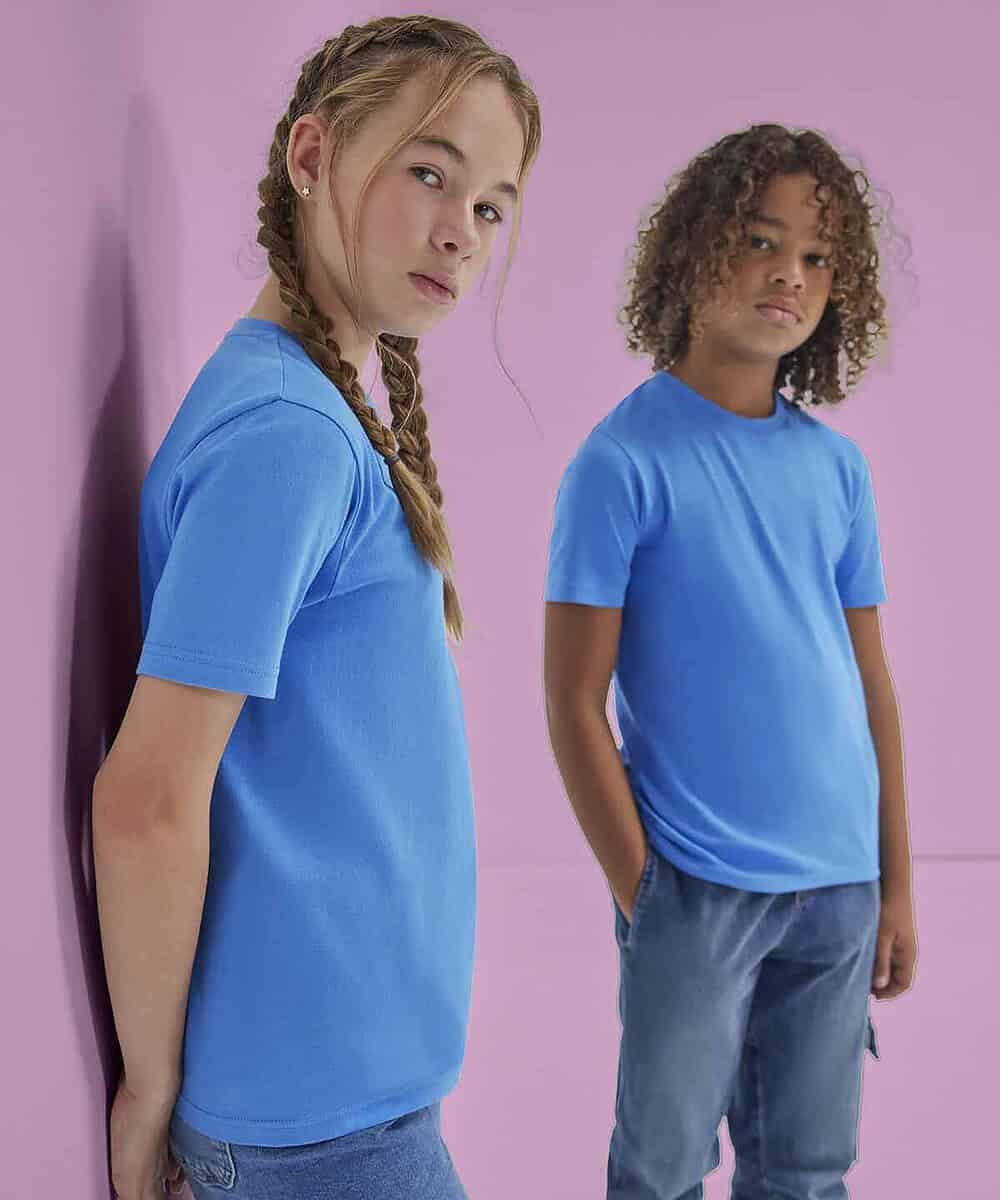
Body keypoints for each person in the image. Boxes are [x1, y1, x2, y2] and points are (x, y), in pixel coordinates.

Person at [91, 16, 539, 1200]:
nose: (460, 228)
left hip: (346, 1110)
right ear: (312, 155)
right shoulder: (287, 436)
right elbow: (146, 798)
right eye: (428, 171)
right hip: (317, 1134)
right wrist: (148, 1093)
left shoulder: (316, 414)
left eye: (491, 205)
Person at [543, 124, 918, 1200]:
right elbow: (572, 699)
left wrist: (895, 884)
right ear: (694, 253)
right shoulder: (619, 464)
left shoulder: (836, 470)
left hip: (837, 889)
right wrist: (644, 892)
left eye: (814, 258)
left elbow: (870, 688)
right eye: (760, 241)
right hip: (695, 889)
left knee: (807, 1171)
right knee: (658, 1172)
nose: (787, 276)